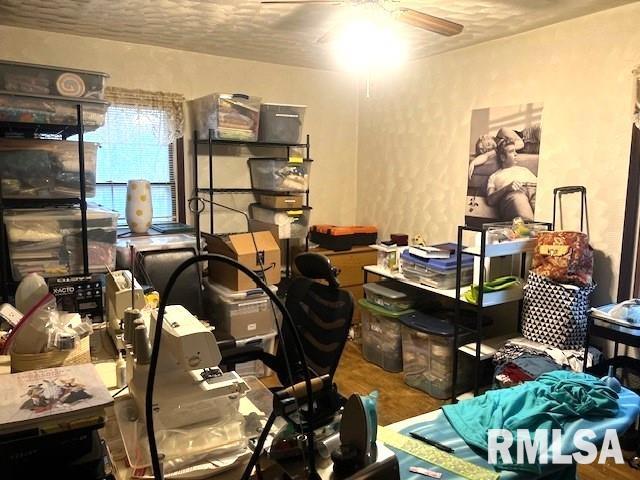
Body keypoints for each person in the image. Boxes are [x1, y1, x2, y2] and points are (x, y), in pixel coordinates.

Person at [485, 137, 537, 221]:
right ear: (502, 157)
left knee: (546, 217)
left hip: (535, 190)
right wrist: (507, 188)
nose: (516, 154)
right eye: (511, 152)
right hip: (516, 193)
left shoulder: (524, 169)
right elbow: (490, 200)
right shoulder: (494, 176)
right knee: (525, 222)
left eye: (515, 151)